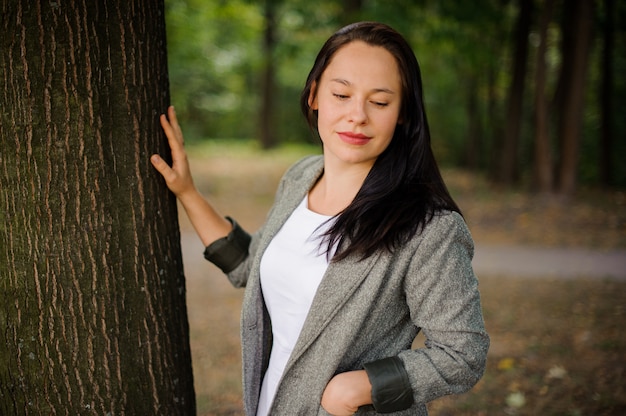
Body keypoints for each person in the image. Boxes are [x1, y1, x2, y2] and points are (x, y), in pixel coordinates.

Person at [151, 21, 489, 416]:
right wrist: (188, 193)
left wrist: (354, 389)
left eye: (379, 102)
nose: (357, 116)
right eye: (341, 94)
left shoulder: (427, 228)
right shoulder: (300, 177)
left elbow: (463, 353)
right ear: (314, 95)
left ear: (402, 114)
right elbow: (249, 265)